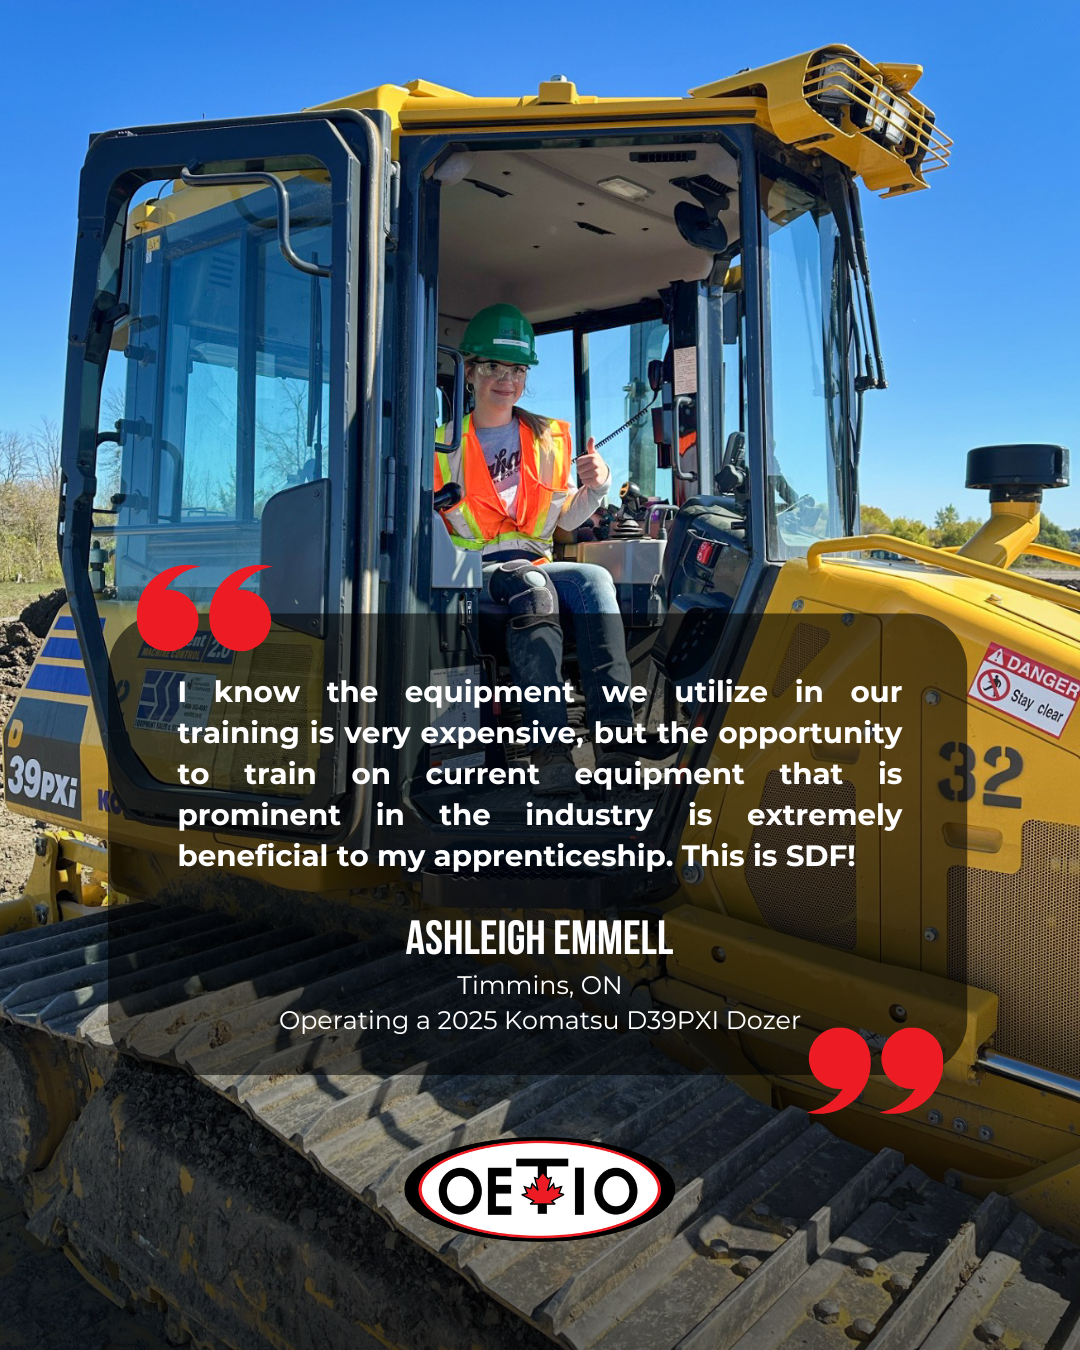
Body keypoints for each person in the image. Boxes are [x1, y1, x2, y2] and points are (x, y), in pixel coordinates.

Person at [435, 303, 633, 792]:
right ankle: (550, 751)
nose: (507, 380)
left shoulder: (549, 439)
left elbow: (564, 520)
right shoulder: (441, 445)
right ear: (470, 372)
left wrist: (597, 488)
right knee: (534, 587)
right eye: (494, 368)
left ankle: (617, 744)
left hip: (535, 560)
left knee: (596, 581)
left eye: (518, 369)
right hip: (470, 572)